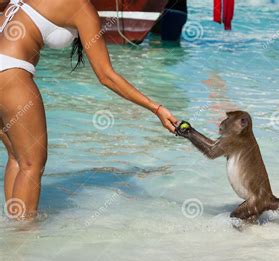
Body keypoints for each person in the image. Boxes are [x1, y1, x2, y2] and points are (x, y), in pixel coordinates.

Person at [0, 0, 179, 220]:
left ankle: (11, 237)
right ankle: (25, 239)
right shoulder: (80, 6)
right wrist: (156, 108)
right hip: (11, 73)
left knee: (17, 159)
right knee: (32, 164)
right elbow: (106, 76)